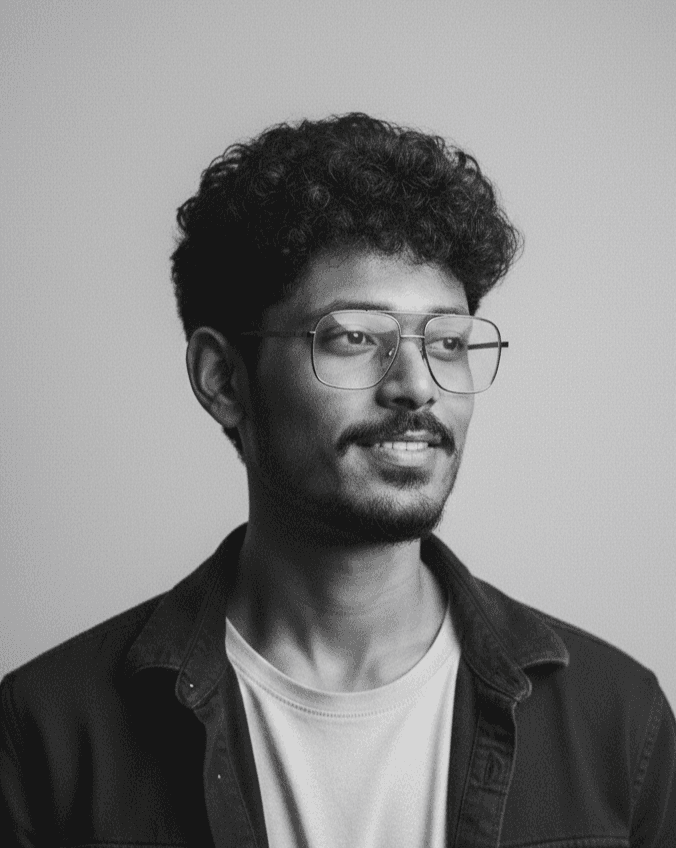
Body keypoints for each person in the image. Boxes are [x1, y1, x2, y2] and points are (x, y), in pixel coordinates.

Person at [1, 114, 674, 847]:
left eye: (447, 341)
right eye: (355, 337)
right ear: (223, 378)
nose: (417, 386)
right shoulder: (48, 733)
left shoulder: (618, 722)